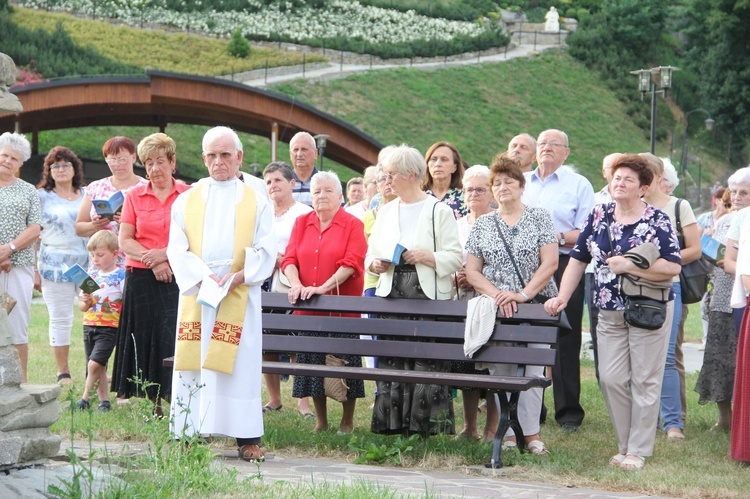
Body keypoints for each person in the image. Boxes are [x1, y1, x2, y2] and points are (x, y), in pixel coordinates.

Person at [545, 154, 681, 471]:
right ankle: (625, 443)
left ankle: (637, 450)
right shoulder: (599, 215)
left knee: (646, 380)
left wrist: (631, 265)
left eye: (628, 180)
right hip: (607, 309)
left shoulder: (657, 220)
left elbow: (673, 266)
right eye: (616, 178)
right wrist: (563, 297)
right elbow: (578, 259)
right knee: (610, 378)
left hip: (649, 308)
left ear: (643, 188)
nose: (619, 183)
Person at [169, 126, 275, 461]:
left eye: (226, 155)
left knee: (239, 366)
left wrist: (240, 275)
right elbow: (176, 249)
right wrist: (204, 276)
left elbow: (267, 248)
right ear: (203, 158)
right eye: (212, 155)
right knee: (194, 364)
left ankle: (247, 438)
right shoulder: (186, 201)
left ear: (239, 157)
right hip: (199, 293)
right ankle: (186, 433)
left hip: (238, 293)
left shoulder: (257, 201)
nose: (219, 162)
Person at [366, 144, 463, 436]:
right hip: (391, 295)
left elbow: (456, 257)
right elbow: (369, 256)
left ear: (410, 175)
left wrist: (427, 257)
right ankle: (392, 426)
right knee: (392, 359)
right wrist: (375, 265)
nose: (386, 179)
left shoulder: (438, 210)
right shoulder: (384, 211)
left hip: (426, 298)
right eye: (384, 174)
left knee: (425, 361)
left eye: (391, 174)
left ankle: (425, 427)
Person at [464, 156, 558, 453]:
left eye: (509, 181)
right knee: (500, 371)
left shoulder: (540, 216)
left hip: (534, 304)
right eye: (497, 183)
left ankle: (530, 435)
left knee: (532, 370)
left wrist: (523, 294)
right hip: (497, 307)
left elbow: (551, 262)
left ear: (521, 185)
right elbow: (472, 271)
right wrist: (497, 295)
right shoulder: (483, 224)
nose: (503, 187)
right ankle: (505, 433)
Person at [282, 171, 367, 434]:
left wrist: (324, 287)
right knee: (311, 364)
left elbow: (352, 262)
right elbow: (289, 260)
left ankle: (347, 420)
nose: (321, 195)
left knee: (345, 364)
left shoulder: (353, 224)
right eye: (317, 191)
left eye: (328, 191)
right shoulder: (301, 223)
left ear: (340, 197)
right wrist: (296, 283)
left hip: (342, 311)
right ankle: (321, 421)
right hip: (308, 309)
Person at [112, 132, 191, 414]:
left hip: (178, 275)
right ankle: (155, 402)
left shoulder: (188, 195)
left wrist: (167, 256)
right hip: (141, 278)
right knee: (146, 337)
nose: (154, 169)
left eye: (160, 161)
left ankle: (176, 398)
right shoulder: (133, 196)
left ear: (172, 162)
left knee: (171, 336)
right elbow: (125, 241)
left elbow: (195, 238)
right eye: (148, 163)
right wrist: (155, 261)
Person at [522, 129, 595, 432]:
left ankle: (568, 414)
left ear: (567, 152)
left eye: (555, 144)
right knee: (525, 336)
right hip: (525, 265)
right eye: (542, 144)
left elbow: (588, 231)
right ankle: (530, 408)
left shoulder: (578, 184)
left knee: (564, 336)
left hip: (567, 263)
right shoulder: (521, 182)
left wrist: (557, 237)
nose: (547, 148)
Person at [641, 152, 702, 439]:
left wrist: (665, 261)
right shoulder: (627, 207)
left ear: (656, 178)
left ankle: (672, 423)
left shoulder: (678, 206)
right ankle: (645, 419)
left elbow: (695, 249)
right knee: (638, 358)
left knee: (665, 356)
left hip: (669, 284)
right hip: (632, 287)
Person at [695, 167, 750, 432]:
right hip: (723, 295)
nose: (737, 197)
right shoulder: (726, 221)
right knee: (720, 359)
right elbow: (714, 256)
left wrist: (729, 262)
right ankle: (724, 418)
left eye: (744, 192)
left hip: (744, 293)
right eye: (735, 192)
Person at [261, 161, 314, 418]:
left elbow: (311, 247)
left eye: (278, 180)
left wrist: (286, 260)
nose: (273, 186)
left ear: (292, 183)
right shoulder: (262, 212)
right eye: (268, 182)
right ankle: (274, 399)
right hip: (264, 282)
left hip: (293, 283)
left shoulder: (304, 213)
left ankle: (303, 403)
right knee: (266, 343)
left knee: (295, 343)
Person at [452, 164, 500, 442]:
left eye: (480, 189)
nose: (474, 194)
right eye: (469, 189)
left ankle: (491, 429)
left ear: (492, 193)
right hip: (460, 301)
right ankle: (469, 427)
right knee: (465, 366)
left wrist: (477, 277)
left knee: (492, 365)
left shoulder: (500, 223)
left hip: (491, 301)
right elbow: (447, 257)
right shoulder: (457, 224)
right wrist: (454, 276)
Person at [36, 146, 89, 383]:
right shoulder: (40, 197)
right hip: (53, 266)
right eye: (54, 165)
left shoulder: (88, 194)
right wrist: (36, 271)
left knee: (97, 312)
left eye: (65, 164)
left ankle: (95, 368)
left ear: (74, 168)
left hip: (87, 263)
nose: (60, 169)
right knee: (60, 317)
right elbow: (32, 234)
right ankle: (63, 372)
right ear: (49, 171)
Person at [0, 132, 42, 384]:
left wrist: (9, 249)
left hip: (19, 265)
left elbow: (35, 228)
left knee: (17, 322)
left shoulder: (28, 191)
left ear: (20, 164)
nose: (7, 161)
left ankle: (20, 382)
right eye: (4, 155)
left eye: (13, 158)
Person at [74, 136, 147, 267]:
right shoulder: (95, 187)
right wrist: (95, 225)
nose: (117, 165)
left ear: (134, 158)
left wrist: (127, 224)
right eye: (112, 160)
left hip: (135, 262)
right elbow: (79, 227)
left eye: (122, 159)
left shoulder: (146, 187)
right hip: (101, 264)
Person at [74, 230, 125, 412]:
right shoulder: (90, 276)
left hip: (109, 326)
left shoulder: (121, 276)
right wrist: (85, 301)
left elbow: (125, 300)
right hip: (89, 324)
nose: (95, 259)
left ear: (114, 254)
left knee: (94, 363)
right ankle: (104, 402)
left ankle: (84, 399)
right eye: (93, 255)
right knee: (99, 366)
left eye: (100, 255)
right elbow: (82, 305)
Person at [585, 152, 622, 381]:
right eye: (611, 168)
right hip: (595, 274)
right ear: (604, 171)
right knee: (599, 331)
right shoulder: (594, 200)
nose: (616, 173)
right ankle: (605, 383)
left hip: (630, 277)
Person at [422, 141, 468, 219]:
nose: (438, 164)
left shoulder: (465, 197)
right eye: (433, 159)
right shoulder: (420, 195)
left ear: (454, 167)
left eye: (444, 159)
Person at [288, 131, 319, 206]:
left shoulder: (328, 183)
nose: (299, 154)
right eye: (295, 150)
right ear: (290, 155)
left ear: (315, 153)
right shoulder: (283, 184)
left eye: (304, 149)